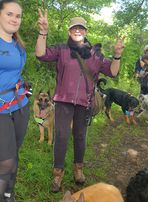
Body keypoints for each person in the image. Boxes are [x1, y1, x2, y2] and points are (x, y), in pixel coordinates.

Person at [35, 10, 124, 192]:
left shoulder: (95, 54)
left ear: (86, 31)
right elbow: (41, 54)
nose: (77, 31)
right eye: (74, 28)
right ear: (69, 31)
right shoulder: (61, 49)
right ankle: (58, 174)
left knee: (80, 137)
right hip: (63, 101)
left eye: (81, 28)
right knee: (61, 136)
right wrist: (43, 32)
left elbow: (113, 72)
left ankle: (78, 170)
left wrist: (116, 55)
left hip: (85, 102)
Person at [0, 0, 29, 202]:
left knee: (14, 155)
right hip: (1, 110)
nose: (14, 19)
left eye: (18, 16)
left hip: (20, 105)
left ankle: (9, 195)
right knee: (7, 160)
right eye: (10, 13)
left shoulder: (18, 44)